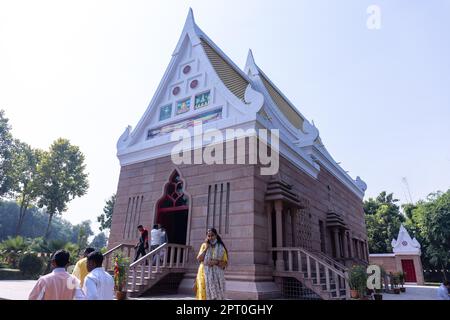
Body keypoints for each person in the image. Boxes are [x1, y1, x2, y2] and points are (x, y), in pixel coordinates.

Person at [195, 228, 228, 300]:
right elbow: (199, 259)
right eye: (208, 236)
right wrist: (206, 248)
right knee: (203, 293)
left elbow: (225, 263)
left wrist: (216, 262)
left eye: (212, 235)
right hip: (204, 273)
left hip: (217, 275)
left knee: (217, 295)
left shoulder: (221, 247)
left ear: (216, 235)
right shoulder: (204, 245)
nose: (210, 238)